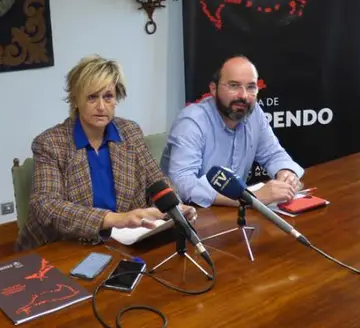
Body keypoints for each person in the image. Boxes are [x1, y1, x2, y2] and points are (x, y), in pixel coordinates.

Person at [16, 55, 196, 250]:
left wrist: (175, 207)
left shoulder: (129, 132)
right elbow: (45, 206)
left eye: (108, 96)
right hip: (63, 247)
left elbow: (156, 181)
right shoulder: (50, 143)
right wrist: (113, 219)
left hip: (122, 243)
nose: (101, 107)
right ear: (76, 100)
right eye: (92, 97)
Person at [161, 55, 304, 208]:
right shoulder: (192, 122)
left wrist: (286, 174)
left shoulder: (254, 114)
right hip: (190, 215)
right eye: (234, 86)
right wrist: (251, 198)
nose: (243, 96)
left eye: (251, 87)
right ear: (213, 89)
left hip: (234, 213)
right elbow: (183, 184)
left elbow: (274, 154)